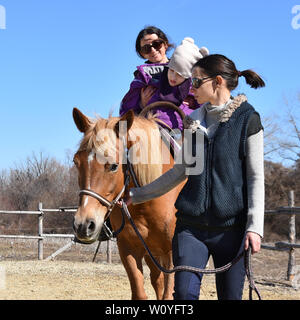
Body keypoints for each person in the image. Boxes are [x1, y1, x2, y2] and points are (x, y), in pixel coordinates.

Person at [125, 54, 265, 300]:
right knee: (183, 297)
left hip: (232, 231)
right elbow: (180, 170)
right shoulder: (193, 121)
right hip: (191, 229)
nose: (191, 88)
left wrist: (254, 228)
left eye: (197, 82)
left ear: (218, 82)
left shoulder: (248, 120)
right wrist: (136, 195)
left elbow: (255, 177)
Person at [120, 37, 209, 130]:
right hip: (154, 129)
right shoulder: (150, 78)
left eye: (179, 75)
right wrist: (122, 133)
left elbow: (204, 106)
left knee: (199, 137)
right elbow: (127, 106)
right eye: (171, 71)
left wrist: (196, 117)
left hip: (183, 132)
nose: (173, 77)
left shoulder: (193, 86)